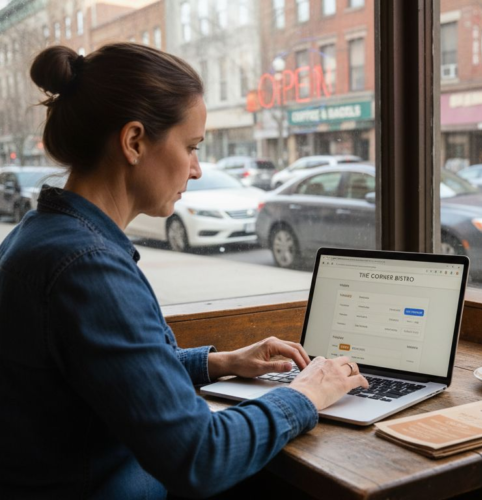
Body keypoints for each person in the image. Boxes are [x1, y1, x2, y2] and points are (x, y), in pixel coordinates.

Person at [0, 43, 368, 499]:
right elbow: (200, 457)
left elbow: (99, 368)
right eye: (191, 147)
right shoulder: (87, 267)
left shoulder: (40, 235)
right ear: (134, 141)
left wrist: (219, 362)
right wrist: (307, 394)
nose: (196, 169)